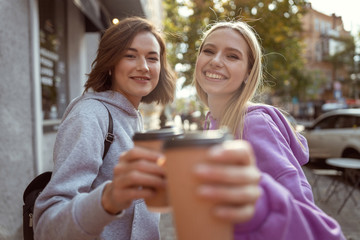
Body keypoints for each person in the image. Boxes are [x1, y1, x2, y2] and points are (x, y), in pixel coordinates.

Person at [192, 20, 345, 239]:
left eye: (232, 56)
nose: (215, 61)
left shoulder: (254, 124)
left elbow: (307, 219)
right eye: (208, 51)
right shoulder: (212, 123)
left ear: (248, 72)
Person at [33, 17, 176, 240]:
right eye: (130, 55)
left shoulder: (131, 115)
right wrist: (108, 199)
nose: (144, 66)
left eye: (152, 58)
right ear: (111, 63)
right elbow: (47, 225)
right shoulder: (90, 115)